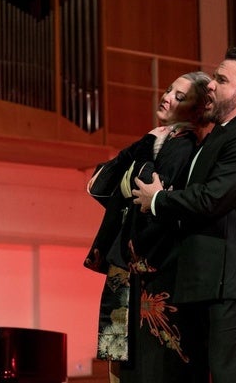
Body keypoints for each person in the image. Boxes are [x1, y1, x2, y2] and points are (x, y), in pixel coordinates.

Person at [132, 47, 236, 383]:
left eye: (220, 79)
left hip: (234, 281)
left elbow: (212, 198)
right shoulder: (221, 136)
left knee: (234, 374)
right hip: (214, 280)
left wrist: (158, 199)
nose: (211, 86)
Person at [85, 71, 213, 383]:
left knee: (146, 368)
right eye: (170, 90)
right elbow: (98, 185)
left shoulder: (183, 148)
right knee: (117, 366)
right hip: (124, 272)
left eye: (180, 97)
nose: (167, 97)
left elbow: (143, 199)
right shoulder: (157, 140)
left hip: (147, 273)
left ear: (198, 111)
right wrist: (144, 144)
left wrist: (144, 151)